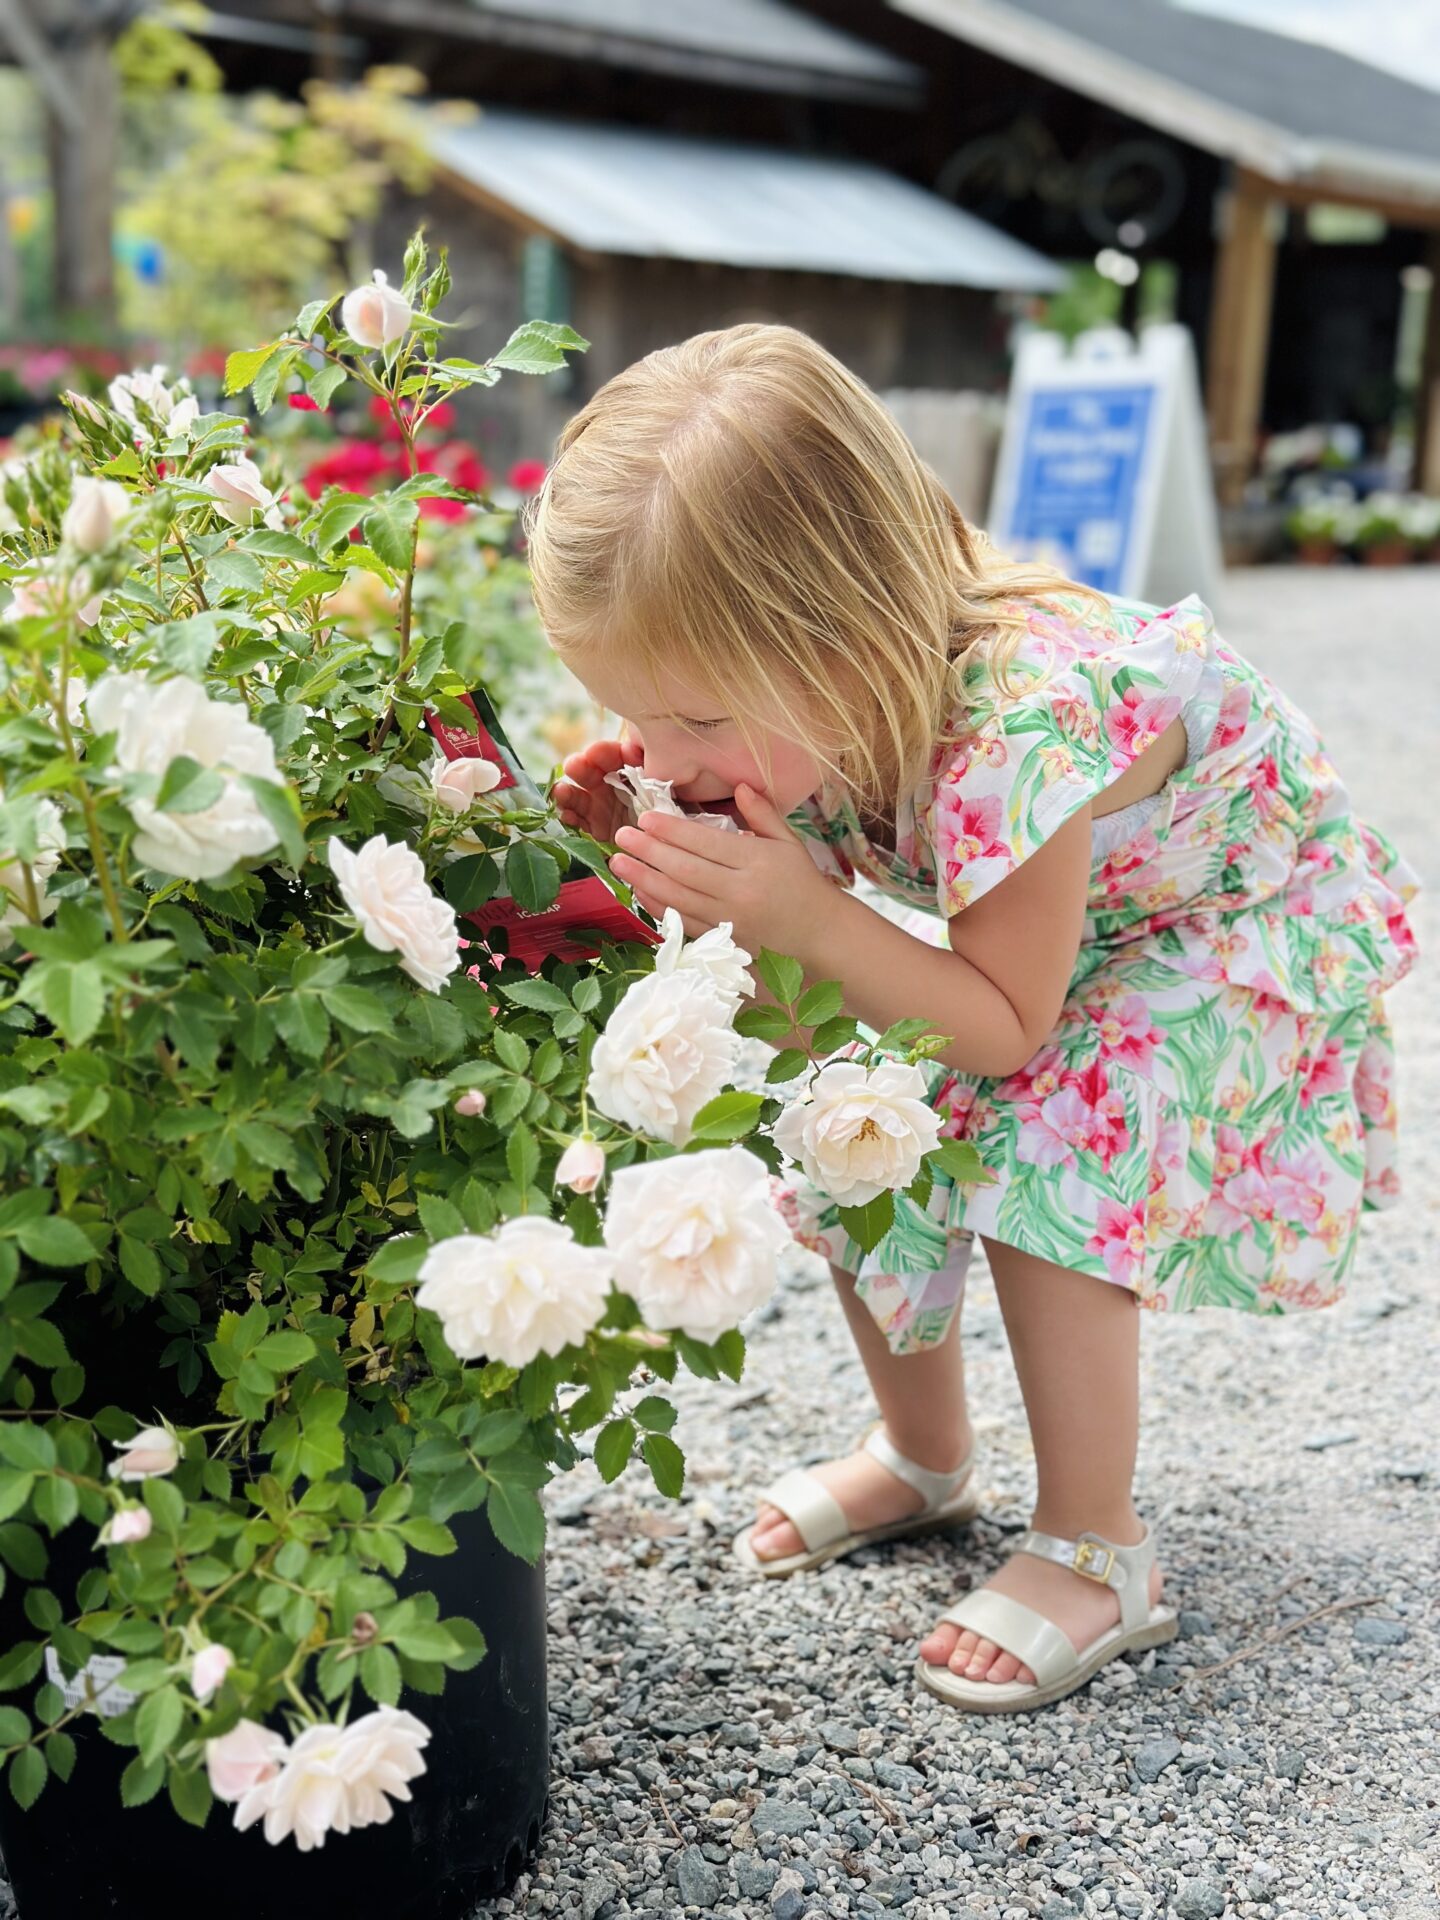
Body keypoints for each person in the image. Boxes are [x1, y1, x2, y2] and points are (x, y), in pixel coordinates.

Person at [524, 323, 1419, 1715]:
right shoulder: (820, 703)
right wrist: (653, 853)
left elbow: (1003, 1027)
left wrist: (811, 917)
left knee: (1045, 1130)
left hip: (1215, 921)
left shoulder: (1024, 723)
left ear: (842, 637)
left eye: (690, 718)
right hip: (1052, 933)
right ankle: (926, 1455)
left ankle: (1096, 1545)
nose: (659, 758)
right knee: (845, 1103)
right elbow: (808, 1002)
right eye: (628, 712)